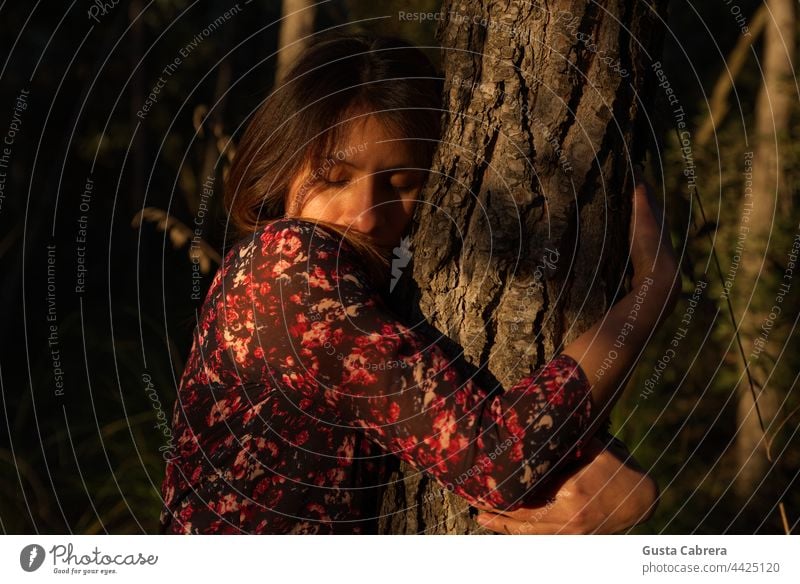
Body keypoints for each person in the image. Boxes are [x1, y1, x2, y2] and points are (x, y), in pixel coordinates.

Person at [158, 31, 680, 535]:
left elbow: (466, 426)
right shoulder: (289, 264)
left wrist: (626, 485)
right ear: (283, 166)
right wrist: (653, 289)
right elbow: (495, 459)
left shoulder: (337, 295)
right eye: (336, 178)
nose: (365, 215)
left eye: (402, 184)